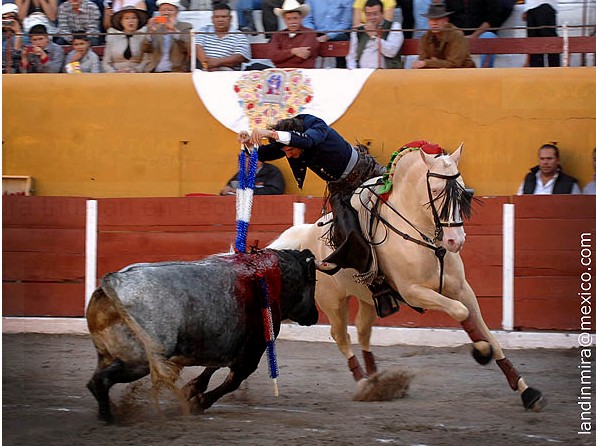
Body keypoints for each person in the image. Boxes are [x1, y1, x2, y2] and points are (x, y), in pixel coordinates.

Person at [237, 113, 402, 311]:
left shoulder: (315, 126)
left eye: (290, 150)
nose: (288, 155)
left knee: (403, 200)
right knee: (347, 235)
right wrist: (249, 145)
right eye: (286, 151)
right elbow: (265, 153)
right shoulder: (290, 142)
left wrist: (269, 133)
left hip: (367, 172)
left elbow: (307, 141)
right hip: (341, 191)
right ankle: (378, 288)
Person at [411, 2, 475, 69]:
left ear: (446, 20)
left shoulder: (456, 35)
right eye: (431, 19)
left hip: (462, 72)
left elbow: (455, 63)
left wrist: (428, 63)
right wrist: (421, 64)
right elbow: (422, 60)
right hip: (436, 72)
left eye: (437, 19)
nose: (434, 23)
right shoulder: (425, 38)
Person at [346, 0, 404, 69]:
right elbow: (351, 57)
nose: (372, 18)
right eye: (368, 14)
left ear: (382, 13)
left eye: (375, 14)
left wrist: (374, 36)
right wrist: (354, 71)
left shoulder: (394, 26)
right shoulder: (358, 31)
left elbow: (391, 52)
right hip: (362, 72)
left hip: (386, 72)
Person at [444, 0, 501, 68]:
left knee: (489, 37)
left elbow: (492, 18)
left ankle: (486, 71)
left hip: (481, 34)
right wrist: (459, 36)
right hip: (457, 36)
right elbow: (447, 20)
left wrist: (474, 35)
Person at [195, 2, 251, 71]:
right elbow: (197, 47)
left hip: (228, 70)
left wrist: (217, 62)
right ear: (212, 19)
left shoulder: (239, 36)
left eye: (224, 17)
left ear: (230, 18)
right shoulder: (203, 30)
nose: (220, 20)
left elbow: (240, 57)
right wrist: (206, 64)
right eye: (217, 17)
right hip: (204, 68)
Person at [141, 0, 192, 72]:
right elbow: (145, 49)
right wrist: (150, 33)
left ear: (177, 12)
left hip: (176, 71)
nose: (166, 13)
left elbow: (188, 49)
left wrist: (174, 31)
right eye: (163, 10)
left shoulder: (185, 26)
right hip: (154, 71)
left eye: (170, 10)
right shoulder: (156, 27)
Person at [302, 0, 352, 69]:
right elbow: (307, 20)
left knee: (343, 40)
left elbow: (345, 24)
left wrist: (328, 36)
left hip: (338, 33)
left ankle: (341, 69)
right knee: (303, 39)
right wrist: (312, 34)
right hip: (315, 32)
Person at [268, 0, 319, 69]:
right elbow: (273, 56)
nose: (292, 22)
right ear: (284, 20)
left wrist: (281, 59)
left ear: (301, 18)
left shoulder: (309, 33)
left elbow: (301, 57)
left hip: (304, 72)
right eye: (289, 19)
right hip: (283, 73)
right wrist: (293, 51)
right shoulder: (278, 35)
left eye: (295, 18)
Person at [517, 143, 581, 195]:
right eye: (542, 159)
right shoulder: (529, 179)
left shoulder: (569, 183)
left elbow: (577, 205)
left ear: (557, 160)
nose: (545, 162)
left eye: (549, 158)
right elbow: (519, 202)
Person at [102, 5, 149, 72]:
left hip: (137, 74)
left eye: (134, 18)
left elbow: (146, 60)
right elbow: (106, 62)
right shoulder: (112, 37)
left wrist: (135, 70)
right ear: (121, 21)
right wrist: (114, 72)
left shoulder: (143, 37)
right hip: (116, 74)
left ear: (138, 21)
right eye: (127, 18)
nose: (131, 21)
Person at [522, 1, 560, 67]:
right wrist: (526, 8)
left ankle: (554, 69)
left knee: (550, 41)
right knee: (533, 42)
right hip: (530, 7)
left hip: (545, 4)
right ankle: (536, 70)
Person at [220, 160, 285, 196]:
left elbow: (276, 191)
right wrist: (225, 191)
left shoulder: (271, 171)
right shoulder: (241, 174)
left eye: (247, 157)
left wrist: (246, 191)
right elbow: (230, 187)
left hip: (264, 208)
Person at [2, 3, 24, 73]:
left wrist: (18, 33)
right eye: (4, 18)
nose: (7, 21)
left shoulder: (25, 35)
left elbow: (17, 56)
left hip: (15, 69)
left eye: (10, 17)